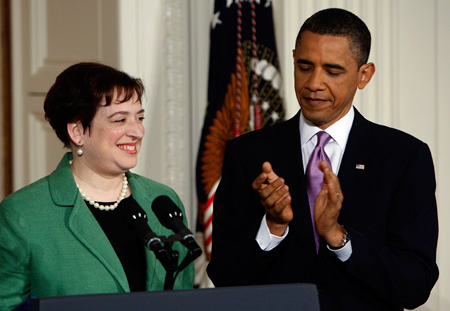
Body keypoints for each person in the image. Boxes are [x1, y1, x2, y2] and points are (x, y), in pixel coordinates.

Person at [207, 8, 438, 311]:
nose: (314, 83)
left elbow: (414, 285)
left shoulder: (404, 157)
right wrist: (272, 226)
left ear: (364, 75)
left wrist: (338, 236)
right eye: (304, 66)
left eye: (332, 71)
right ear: (292, 60)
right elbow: (224, 277)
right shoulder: (247, 153)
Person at [0, 62, 194, 310]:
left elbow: (185, 297)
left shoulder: (162, 201)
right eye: (120, 119)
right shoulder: (23, 214)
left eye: (139, 117)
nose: (137, 131)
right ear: (77, 131)